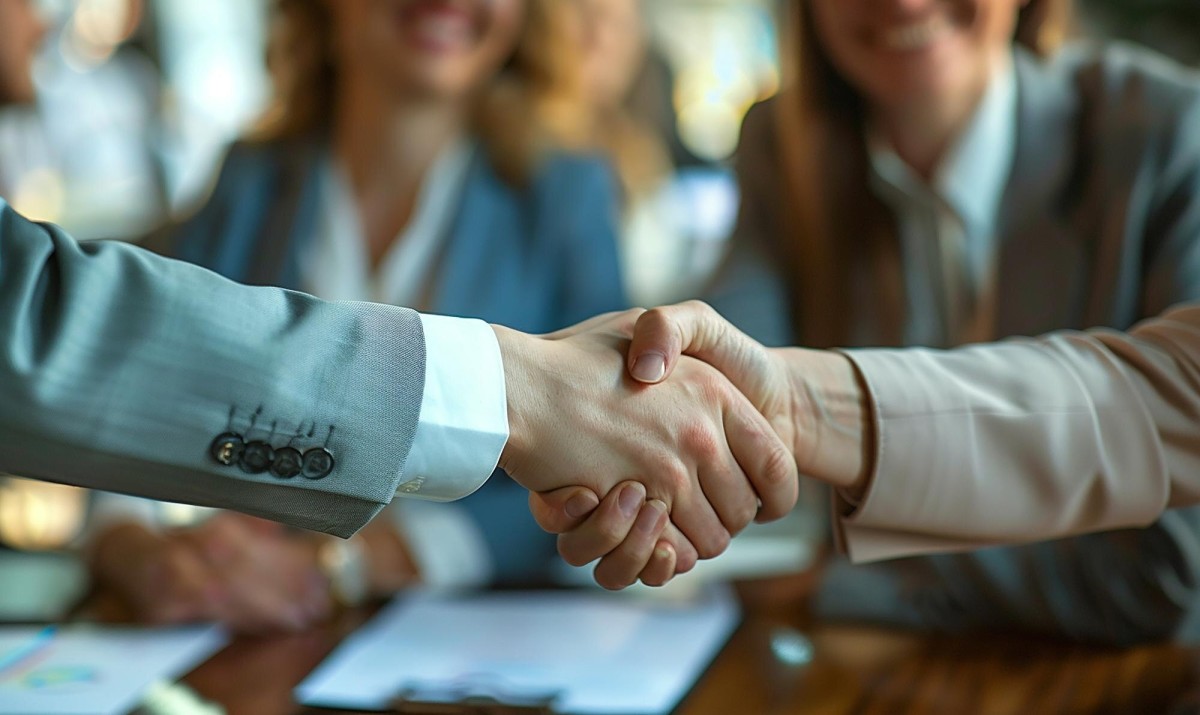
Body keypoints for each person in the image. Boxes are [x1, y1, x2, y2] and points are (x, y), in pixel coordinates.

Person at [88, 0, 631, 630]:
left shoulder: (565, 196)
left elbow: (601, 468)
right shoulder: (248, 184)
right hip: (241, 632)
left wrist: (355, 561)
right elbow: (133, 392)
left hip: (468, 638)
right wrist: (135, 548)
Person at [708, 0, 1200, 645]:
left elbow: (1168, 571)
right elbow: (724, 398)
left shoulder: (1164, 134)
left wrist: (846, 577)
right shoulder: (784, 142)